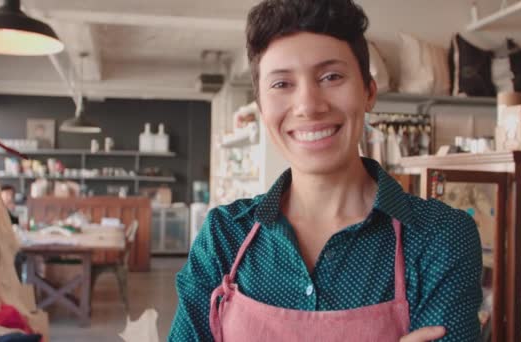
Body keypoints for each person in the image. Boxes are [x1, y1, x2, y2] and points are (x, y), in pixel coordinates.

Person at [169, 0, 482, 341]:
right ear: (260, 107)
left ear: (369, 92)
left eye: (331, 76)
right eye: (281, 84)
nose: (308, 105)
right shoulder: (223, 238)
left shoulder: (440, 237)